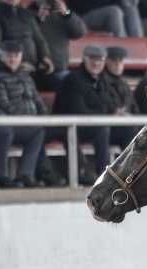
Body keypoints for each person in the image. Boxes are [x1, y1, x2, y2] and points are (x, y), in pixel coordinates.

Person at [53, 44, 113, 183]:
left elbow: (109, 104)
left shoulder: (102, 79)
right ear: (84, 59)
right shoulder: (73, 79)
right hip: (67, 126)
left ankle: (130, 174)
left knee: (129, 131)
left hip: (91, 124)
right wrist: (105, 113)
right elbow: (78, 111)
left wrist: (115, 112)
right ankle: (103, 176)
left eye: (100, 60)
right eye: (92, 59)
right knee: (102, 130)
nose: (96, 63)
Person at [0, 40, 46, 188]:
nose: (13, 59)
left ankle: (25, 175)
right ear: (2, 57)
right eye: (9, 56)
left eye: (16, 55)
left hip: (25, 123)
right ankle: (1, 175)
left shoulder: (27, 77)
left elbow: (38, 100)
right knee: (5, 131)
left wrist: (43, 115)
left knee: (39, 131)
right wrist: (27, 118)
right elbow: (4, 104)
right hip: (7, 124)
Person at [31, 0, 86, 91]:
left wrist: (66, 12)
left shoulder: (63, 15)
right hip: (34, 71)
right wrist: (38, 18)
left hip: (58, 71)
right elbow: (24, 35)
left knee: (79, 84)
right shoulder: (27, 13)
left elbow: (80, 32)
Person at [0, 0, 54, 76]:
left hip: (33, 67)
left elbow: (39, 40)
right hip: (8, 70)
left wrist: (45, 57)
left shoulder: (26, 13)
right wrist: (15, 64)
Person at [103, 46, 135, 149]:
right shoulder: (100, 81)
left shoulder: (124, 84)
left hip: (126, 124)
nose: (118, 64)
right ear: (107, 62)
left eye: (120, 61)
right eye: (114, 61)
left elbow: (133, 106)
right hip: (108, 128)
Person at [69, 0, 144, 37]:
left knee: (129, 6)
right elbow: (81, 5)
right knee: (114, 12)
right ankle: (121, 54)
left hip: (104, 11)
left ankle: (140, 51)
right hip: (79, 18)